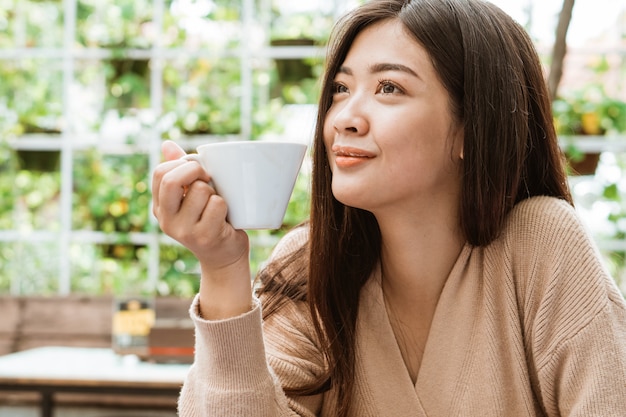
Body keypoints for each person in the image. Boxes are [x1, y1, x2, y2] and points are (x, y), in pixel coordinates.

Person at [151, 0, 626, 415]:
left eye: (389, 89)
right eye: (341, 88)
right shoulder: (310, 262)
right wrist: (223, 268)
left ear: (470, 128)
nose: (344, 119)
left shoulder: (542, 243)